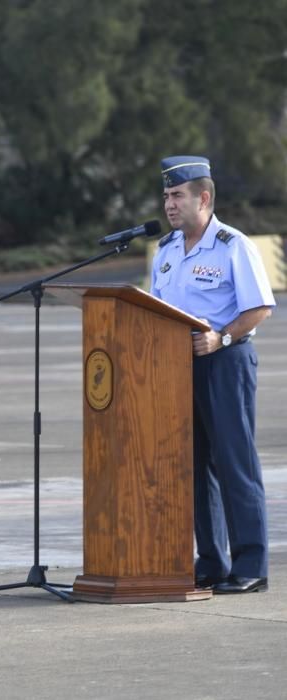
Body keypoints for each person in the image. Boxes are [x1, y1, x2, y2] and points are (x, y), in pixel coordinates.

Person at [150, 155, 275, 594]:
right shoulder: (164, 252)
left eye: (177, 195)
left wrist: (220, 338)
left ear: (203, 198)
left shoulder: (232, 245)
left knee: (234, 463)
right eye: (166, 196)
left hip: (225, 362)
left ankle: (251, 565)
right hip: (178, 367)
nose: (169, 204)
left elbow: (260, 306)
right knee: (196, 467)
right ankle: (213, 563)